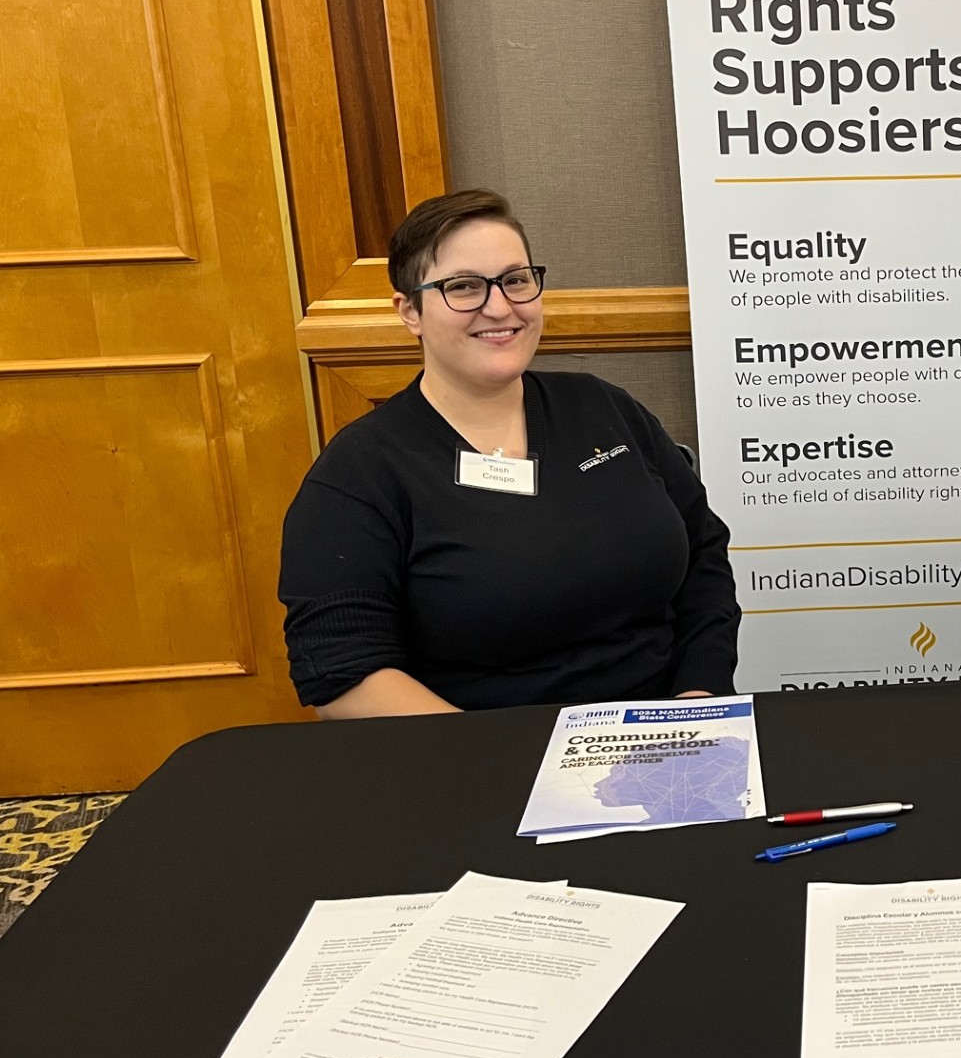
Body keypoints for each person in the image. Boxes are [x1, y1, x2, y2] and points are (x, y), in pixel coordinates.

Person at [279, 190, 738, 716]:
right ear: (410, 312)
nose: (499, 307)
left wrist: (699, 697)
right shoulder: (360, 473)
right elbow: (342, 672)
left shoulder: (604, 408)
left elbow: (703, 551)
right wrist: (502, 758)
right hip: (482, 751)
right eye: (463, 287)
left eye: (515, 280)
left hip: (669, 733)